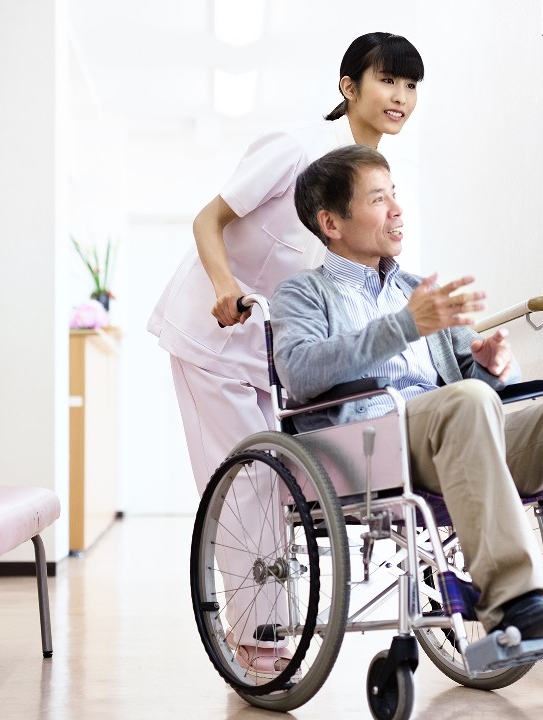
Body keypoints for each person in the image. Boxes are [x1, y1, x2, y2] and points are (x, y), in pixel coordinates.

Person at [271, 145, 543, 641]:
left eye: (394, 194)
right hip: (369, 442)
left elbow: (479, 385)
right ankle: (513, 598)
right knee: (466, 401)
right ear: (331, 223)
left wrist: (493, 367)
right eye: (378, 199)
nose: (397, 209)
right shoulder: (303, 293)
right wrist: (404, 327)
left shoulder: (417, 289)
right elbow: (297, 371)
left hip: (453, 434)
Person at [147, 33, 424, 676]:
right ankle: (262, 638)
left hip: (278, 352)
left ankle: (274, 625)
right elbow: (207, 221)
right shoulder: (296, 149)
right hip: (212, 334)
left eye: (411, 87)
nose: (400, 98)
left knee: (280, 489)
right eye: (388, 81)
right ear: (348, 87)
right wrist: (225, 286)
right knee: (248, 486)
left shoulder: (369, 182)